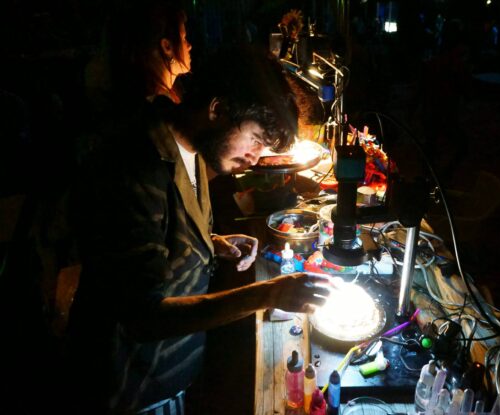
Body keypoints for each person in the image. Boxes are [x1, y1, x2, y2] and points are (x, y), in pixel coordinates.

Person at [66, 46, 331, 414]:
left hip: (170, 370)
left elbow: (164, 228)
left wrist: (210, 242)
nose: (256, 157)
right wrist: (268, 294)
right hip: (132, 387)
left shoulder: (191, 148)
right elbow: (143, 317)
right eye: (256, 140)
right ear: (217, 109)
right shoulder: (137, 169)